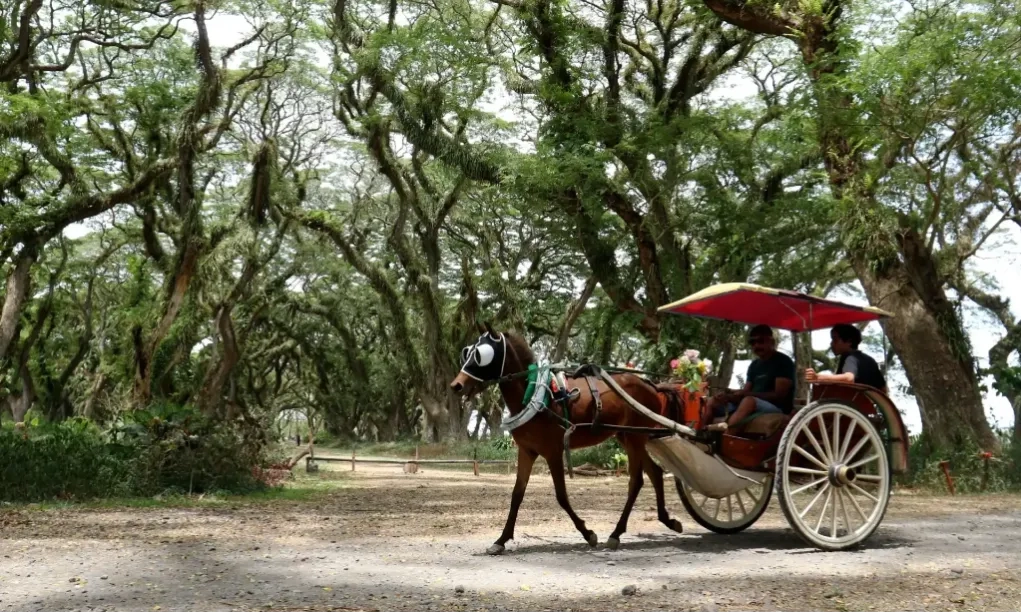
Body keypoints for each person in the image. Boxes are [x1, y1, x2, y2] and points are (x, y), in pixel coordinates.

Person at [705, 324, 796, 429]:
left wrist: (745, 395)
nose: (756, 345)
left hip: (778, 407)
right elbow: (746, 391)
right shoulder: (754, 365)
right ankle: (700, 436)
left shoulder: (783, 361)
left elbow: (779, 395)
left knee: (748, 401)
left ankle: (726, 441)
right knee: (712, 401)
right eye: (752, 342)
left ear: (772, 342)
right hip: (751, 403)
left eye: (761, 341)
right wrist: (730, 395)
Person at [805, 323, 888, 392]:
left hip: (849, 404)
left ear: (849, 342)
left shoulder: (850, 358)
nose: (831, 344)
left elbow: (849, 378)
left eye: (835, 340)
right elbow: (883, 389)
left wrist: (818, 377)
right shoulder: (870, 360)